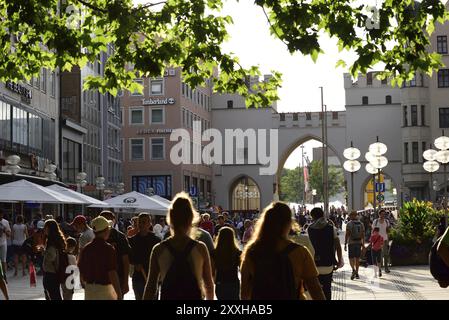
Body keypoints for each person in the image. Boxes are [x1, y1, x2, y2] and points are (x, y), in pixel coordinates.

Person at [240, 202, 325, 300]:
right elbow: (315, 289)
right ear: (289, 223)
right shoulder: (300, 252)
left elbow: (244, 293)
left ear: (264, 223)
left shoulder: (251, 252)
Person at [143, 192, 214, 300]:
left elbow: (151, 287)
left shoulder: (159, 249)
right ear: (191, 218)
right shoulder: (200, 248)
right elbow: (209, 285)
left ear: (170, 218)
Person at [78, 216, 122, 300]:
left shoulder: (86, 248)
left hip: (89, 290)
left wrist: (85, 284)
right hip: (105, 290)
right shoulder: (108, 249)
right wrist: (119, 293)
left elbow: (81, 270)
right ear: (106, 230)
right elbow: (112, 272)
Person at [308, 207, 344, 300]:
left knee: (316, 289)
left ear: (312, 216)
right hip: (328, 263)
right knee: (327, 288)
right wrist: (339, 260)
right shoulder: (331, 228)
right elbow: (338, 246)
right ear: (323, 215)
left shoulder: (309, 229)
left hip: (314, 264)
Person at [128, 213, 161, 300]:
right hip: (138, 278)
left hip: (152, 278)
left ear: (150, 223)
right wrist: (134, 263)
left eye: (144, 222)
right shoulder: (132, 240)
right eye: (140, 222)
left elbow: (160, 259)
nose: (141, 224)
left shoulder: (156, 240)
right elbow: (129, 257)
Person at [100, 211, 131, 297]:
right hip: (100, 280)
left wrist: (126, 282)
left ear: (113, 221)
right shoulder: (94, 237)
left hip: (118, 278)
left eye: (108, 219)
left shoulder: (120, 237)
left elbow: (125, 260)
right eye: (103, 219)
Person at [213, 227, 241, 300]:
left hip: (220, 283)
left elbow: (212, 271)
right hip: (233, 282)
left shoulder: (214, 253)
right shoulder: (237, 253)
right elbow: (242, 270)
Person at [42, 219, 66, 300]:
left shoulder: (52, 242)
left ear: (49, 228)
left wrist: (44, 252)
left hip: (50, 273)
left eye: (45, 227)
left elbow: (51, 257)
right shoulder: (57, 239)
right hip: (55, 272)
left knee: (52, 295)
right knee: (55, 295)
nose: (44, 229)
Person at [345, 211, 365, 280]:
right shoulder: (361, 223)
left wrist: (345, 243)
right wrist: (363, 244)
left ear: (351, 216)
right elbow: (363, 234)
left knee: (351, 258)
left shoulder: (349, 224)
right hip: (359, 242)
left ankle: (353, 270)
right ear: (356, 215)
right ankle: (357, 273)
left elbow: (347, 234)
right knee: (357, 258)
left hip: (351, 243)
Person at [373, 209, 391, 273]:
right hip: (378, 241)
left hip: (385, 240)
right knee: (379, 255)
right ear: (379, 214)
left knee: (386, 254)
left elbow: (388, 231)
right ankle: (380, 268)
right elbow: (373, 231)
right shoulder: (376, 222)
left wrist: (388, 239)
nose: (383, 215)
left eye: (384, 214)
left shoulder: (386, 221)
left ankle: (386, 268)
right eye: (382, 214)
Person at [0, 209, 11, 277]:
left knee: (3, 260)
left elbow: (9, 234)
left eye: (1, 214)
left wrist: (4, 230)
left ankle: (4, 275)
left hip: (3, 243)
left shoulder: (5, 222)